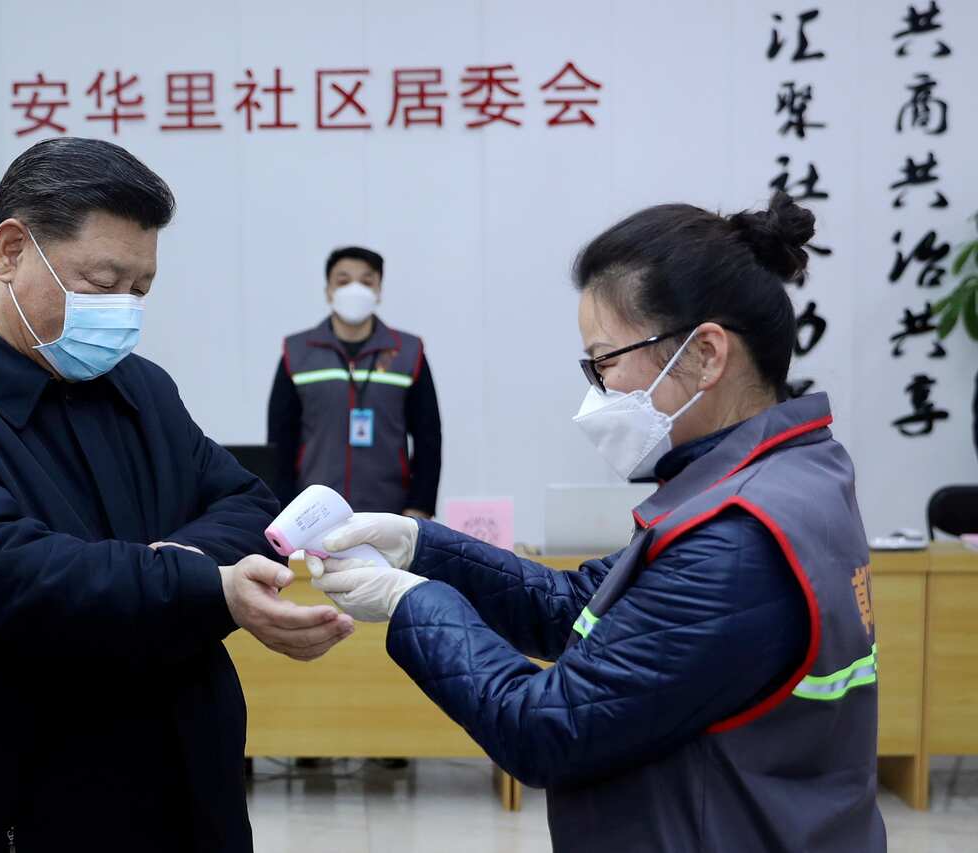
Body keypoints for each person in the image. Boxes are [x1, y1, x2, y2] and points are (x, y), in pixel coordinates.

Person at [309, 192, 886, 852]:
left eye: (605, 361)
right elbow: (583, 606)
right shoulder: (780, 476)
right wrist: (422, 547)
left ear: (705, 354)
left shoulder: (736, 539)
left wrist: (416, 602)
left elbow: (547, 728)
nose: (598, 390)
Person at [0, 138, 354, 853]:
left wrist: (172, 570)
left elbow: (244, 503)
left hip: (190, 795)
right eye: (102, 281)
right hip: (23, 807)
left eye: (140, 290)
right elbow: (7, 575)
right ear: (11, 250)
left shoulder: (140, 387)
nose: (123, 310)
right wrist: (198, 583)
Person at [268, 246, 441, 519]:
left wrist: (420, 505)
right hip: (313, 512)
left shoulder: (408, 352)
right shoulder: (297, 352)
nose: (355, 289)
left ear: (379, 290)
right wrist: (284, 507)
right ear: (328, 290)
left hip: (390, 513)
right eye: (344, 281)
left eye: (366, 281)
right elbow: (280, 442)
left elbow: (428, 437)